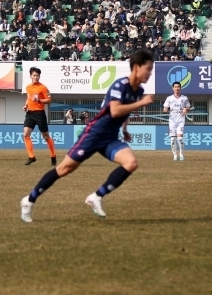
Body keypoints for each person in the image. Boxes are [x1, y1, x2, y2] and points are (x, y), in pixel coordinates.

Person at [20, 50, 155, 223]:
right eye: (148, 69)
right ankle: (29, 200)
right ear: (136, 67)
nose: (150, 73)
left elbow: (125, 111)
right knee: (64, 169)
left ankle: (97, 197)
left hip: (110, 138)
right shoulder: (120, 85)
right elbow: (115, 110)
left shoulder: (138, 90)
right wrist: (142, 103)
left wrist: (125, 128)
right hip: (94, 134)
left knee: (131, 163)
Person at [22, 66, 57, 166]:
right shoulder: (28, 87)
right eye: (34, 75)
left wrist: (40, 100)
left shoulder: (43, 87)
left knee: (46, 137)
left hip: (39, 114)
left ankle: (53, 155)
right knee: (26, 134)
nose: (36, 77)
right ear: (31, 76)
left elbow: (49, 100)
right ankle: (31, 157)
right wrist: (26, 105)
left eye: (37, 75)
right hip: (30, 113)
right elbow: (29, 98)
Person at [163, 81, 192, 161]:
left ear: (180, 88)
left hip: (181, 120)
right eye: (175, 87)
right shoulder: (169, 98)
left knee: (180, 139)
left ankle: (181, 153)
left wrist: (186, 109)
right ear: (173, 88)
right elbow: (165, 108)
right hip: (172, 121)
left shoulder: (184, 98)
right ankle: (175, 155)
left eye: (178, 87)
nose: (177, 88)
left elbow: (188, 107)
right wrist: (165, 109)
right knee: (172, 139)